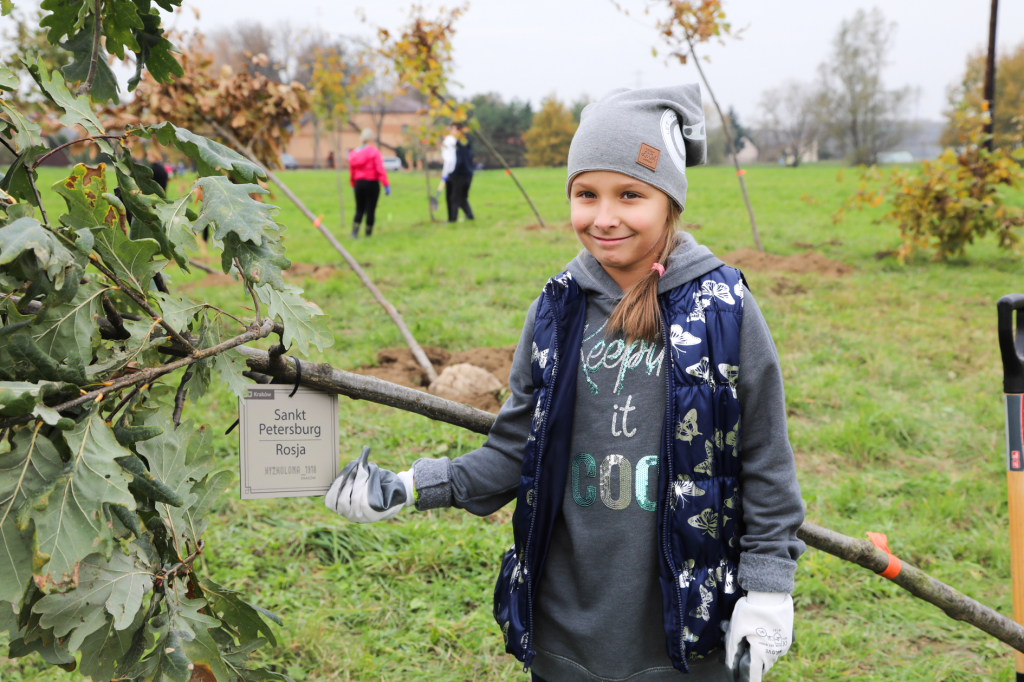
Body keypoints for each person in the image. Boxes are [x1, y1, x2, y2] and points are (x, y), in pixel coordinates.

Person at [326, 85, 804, 682]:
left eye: (630, 194)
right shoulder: (557, 311)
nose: (604, 217)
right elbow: (512, 454)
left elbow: (765, 461)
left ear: (669, 199)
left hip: (687, 636)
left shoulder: (723, 310)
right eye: (586, 194)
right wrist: (407, 486)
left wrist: (767, 592)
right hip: (564, 633)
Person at [348, 128, 390, 238]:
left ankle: (354, 232)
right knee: (371, 209)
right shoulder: (374, 152)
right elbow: (380, 169)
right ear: (371, 139)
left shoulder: (353, 153)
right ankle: (368, 233)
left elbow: (352, 171)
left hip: (359, 184)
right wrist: (385, 184)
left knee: (359, 209)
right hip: (372, 183)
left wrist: (353, 184)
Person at [440, 122, 475, 223]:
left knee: (455, 198)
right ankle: (470, 216)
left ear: (459, 130)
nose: (451, 131)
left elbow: (455, 160)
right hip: (468, 173)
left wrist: (450, 173)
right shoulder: (466, 141)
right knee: (462, 198)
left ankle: (452, 220)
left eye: (453, 129)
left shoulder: (458, 143)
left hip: (459, 174)